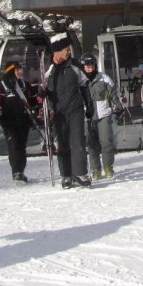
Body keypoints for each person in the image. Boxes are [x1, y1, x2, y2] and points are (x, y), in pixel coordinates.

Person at [40, 32, 93, 188]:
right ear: (57, 51)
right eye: (66, 50)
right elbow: (42, 89)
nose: (69, 52)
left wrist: (88, 105)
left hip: (75, 109)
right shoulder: (50, 71)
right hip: (59, 113)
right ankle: (66, 175)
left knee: (78, 141)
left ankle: (80, 173)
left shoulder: (75, 66)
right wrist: (42, 93)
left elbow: (84, 86)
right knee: (62, 144)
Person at [0, 58, 34, 183]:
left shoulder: (24, 84)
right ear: (11, 71)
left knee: (22, 146)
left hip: (24, 120)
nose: (20, 71)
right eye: (17, 69)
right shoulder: (1, 86)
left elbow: (32, 100)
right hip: (9, 121)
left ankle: (21, 170)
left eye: (20, 69)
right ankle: (16, 171)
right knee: (14, 145)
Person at [83, 54, 120, 179]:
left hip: (104, 113)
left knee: (106, 141)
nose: (89, 69)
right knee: (92, 144)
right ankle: (95, 169)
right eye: (87, 67)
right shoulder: (81, 81)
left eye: (91, 66)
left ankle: (108, 166)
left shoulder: (104, 78)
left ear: (95, 66)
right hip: (88, 116)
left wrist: (118, 105)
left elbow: (113, 93)